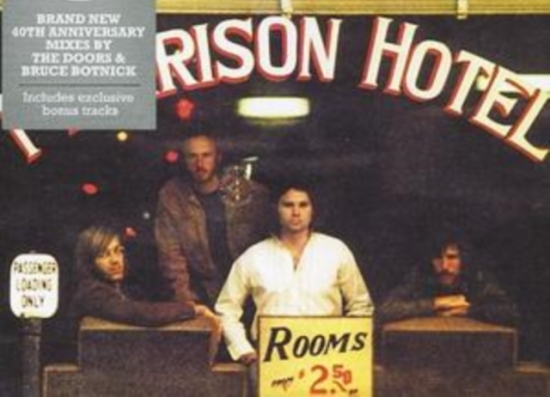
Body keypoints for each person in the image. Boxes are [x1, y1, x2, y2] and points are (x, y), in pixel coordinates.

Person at [215, 183, 374, 372]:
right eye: (288, 205)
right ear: (276, 209)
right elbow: (226, 309)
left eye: (303, 205)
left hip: (326, 356)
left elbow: (361, 306)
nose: (296, 212)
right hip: (270, 359)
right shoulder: (254, 256)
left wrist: (346, 348)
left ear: (313, 210)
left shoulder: (336, 250)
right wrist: (244, 350)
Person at [155, 130, 269, 307]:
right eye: (192, 157)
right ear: (184, 161)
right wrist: (186, 302)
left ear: (218, 158)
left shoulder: (247, 191)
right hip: (206, 290)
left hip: (253, 286)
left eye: (206, 155)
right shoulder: (172, 196)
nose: (200, 164)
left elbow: (272, 239)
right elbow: (170, 256)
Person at [71, 225, 217, 327]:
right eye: (104, 255)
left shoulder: (122, 288)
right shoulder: (91, 292)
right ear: (89, 262)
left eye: (117, 251)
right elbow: (139, 313)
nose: (115, 260)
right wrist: (193, 309)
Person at [378, 232, 519, 326]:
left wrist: (470, 311)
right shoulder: (419, 278)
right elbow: (385, 310)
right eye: (438, 258)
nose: (445, 266)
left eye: (452, 257)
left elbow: (511, 313)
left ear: (464, 259)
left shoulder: (478, 278)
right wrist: (436, 303)